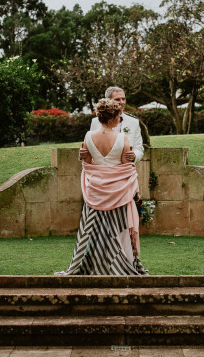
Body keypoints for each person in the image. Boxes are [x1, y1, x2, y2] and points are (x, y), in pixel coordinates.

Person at [56, 98, 147, 275]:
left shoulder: (88, 136)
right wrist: (134, 190)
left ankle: (93, 264)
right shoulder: (122, 138)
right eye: (118, 116)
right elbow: (126, 167)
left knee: (94, 229)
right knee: (118, 228)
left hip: (95, 191)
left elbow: (88, 163)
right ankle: (119, 264)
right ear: (112, 118)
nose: (120, 119)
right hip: (118, 193)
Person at [79, 86, 144, 163]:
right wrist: (82, 154)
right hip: (99, 167)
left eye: (123, 99)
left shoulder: (134, 122)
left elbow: (139, 149)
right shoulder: (95, 121)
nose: (122, 102)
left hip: (124, 167)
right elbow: (90, 146)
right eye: (117, 99)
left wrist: (134, 155)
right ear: (108, 101)